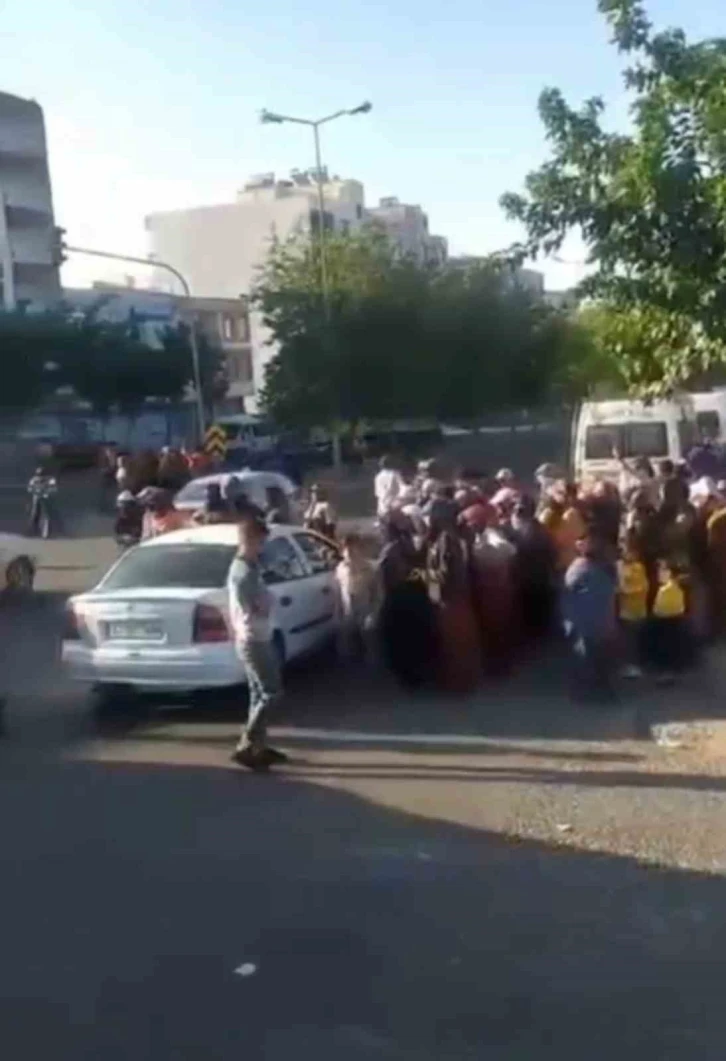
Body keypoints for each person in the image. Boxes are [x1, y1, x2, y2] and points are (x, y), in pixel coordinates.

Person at [227, 516, 287, 769]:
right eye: (260, 542)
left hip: (254, 635)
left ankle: (257, 747)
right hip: (254, 638)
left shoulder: (248, 567)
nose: (263, 547)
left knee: (257, 693)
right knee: (272, 692)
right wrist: (269, 600)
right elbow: (258, 607)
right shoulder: (244, 573)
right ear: (249, 540)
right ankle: (247, 742)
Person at [426, 500, 482, 693]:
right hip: (458, 598)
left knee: (454, 644)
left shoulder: (445, 541)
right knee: (461, 642)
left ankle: (457, 683)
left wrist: (435, 596)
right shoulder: (456, 537)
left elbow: (441, 573)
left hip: (450, 600)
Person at [378, 513, 438, 688]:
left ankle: (409, 678)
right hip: (415, 597)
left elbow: (392, 576)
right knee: (415, 640)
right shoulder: (410, 544)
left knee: (402, 642)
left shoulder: (391, 550)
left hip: (400, 600)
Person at [562, 535, 617, 702]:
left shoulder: (579, 567)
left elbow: (568, 591)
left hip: (586, 621)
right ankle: (601, 691)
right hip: (601, 621)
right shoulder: (607, 568)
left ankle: (587, 692)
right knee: (599, 656)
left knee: (586, 657)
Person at [510, 496, 557, 642]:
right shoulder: (524, 527)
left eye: (521, 509)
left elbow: (550, 552)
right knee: (532, 604)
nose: (517, 511)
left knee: (536, 604)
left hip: (535, 574)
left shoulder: (536, 529)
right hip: (531, 574)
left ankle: (538, 634)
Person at [334, 533, 380, 662]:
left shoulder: (369, 569)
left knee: (369, 641)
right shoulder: (340, 568)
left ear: (359, 549)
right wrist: (337, 612)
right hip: (348, 611)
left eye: (353, 548)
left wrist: (373, 613)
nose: (350, 552)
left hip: (365, 610)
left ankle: (372, 663)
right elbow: (338, 591)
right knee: (345, 643)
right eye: (346, 549)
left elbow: (377, 594)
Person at [646, 559, 687, 682]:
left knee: (667, 647)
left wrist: (656, 614)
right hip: (672, 620)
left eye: (663, 570)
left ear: (670, 573)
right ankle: (669, 671)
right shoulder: (669, 587)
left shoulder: (669, 588)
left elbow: (661, 608)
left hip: (667, 620)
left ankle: (667, 672)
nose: (659, 574)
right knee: (670, 646)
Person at [616, 529, 648, 678]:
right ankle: (627, 664)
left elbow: (642, 587)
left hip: (635, 610)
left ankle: (633, 666)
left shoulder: (638, 568)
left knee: (632, 640)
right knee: (626, 639)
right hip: (625, 610)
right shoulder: (620, 565)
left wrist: (624, 590)